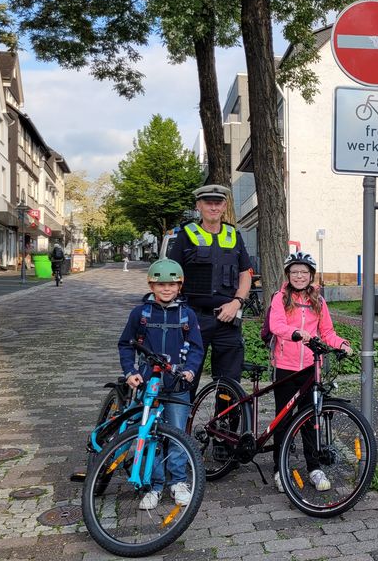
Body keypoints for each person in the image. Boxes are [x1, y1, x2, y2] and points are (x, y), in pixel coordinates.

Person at [117, 259, 204, 510]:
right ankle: (154, 485)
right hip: (149, 385)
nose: (166, 289)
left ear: (180, 286)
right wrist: (131, 371)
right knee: (149, 432)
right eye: (160, 284)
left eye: (172, 284)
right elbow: (126, 344)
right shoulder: (140, 314)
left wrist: (189, 370)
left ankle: (177, 481)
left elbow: (197, 347)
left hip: (177, 385)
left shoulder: (187, 314)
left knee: (177, 433)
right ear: (151, 285)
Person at [266, 252, 352, 493]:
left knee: (310, 419)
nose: (299, 276)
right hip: (285, 367)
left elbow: (327, 333)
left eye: (304, 272)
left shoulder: (319, 301)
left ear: (311, 275)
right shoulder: (280, 298)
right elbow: (277, 325)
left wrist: (342, 344)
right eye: (295, 272)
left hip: (310, 369)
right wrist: (295, 333)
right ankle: (279, 469)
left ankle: (314, 468)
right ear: (288, 275)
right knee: (282, 420)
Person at [169, 184, 252, 387]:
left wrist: (237, 303)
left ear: (224, 206)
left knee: (229, 382)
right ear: (199, 206)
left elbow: (245, 274)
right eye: (208, 203)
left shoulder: (234, 235)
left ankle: (225, 419)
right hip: (193, 318)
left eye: (218, 203)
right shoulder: (185, 235)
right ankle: (183, 418)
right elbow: (172, 275)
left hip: (228, 319)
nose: (213, 207)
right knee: (185, 378)